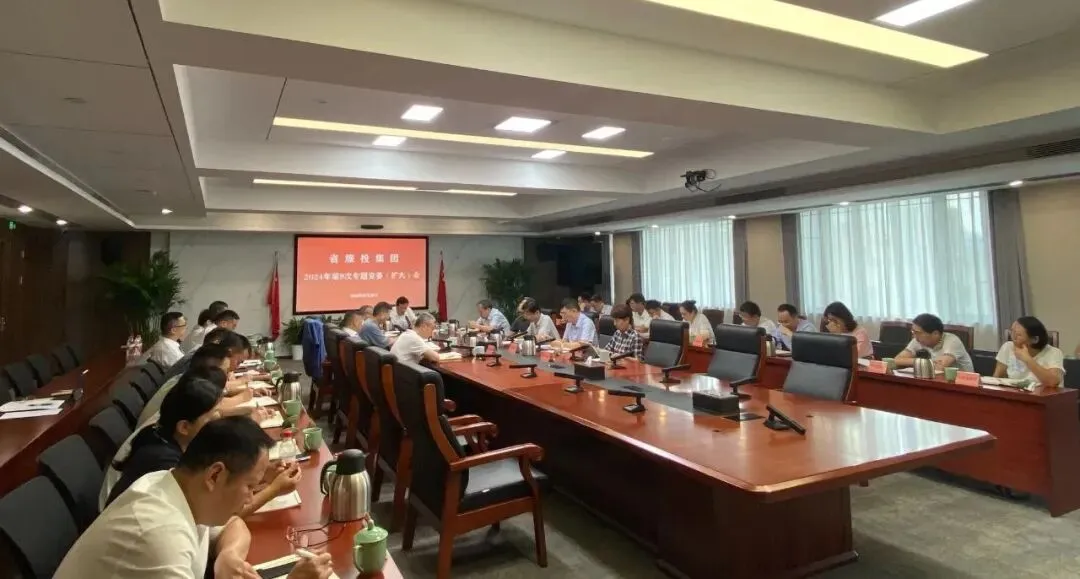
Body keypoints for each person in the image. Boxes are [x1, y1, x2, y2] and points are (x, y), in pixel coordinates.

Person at [57, 416, 334, 579]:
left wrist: (227, 556)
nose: (252, 496)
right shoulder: (159, 536)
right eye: (250, 486)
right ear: (215, 475)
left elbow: (233, 523)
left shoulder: (178, 486)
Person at [105, 376, 301, 515]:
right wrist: (274, 489)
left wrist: (257, 475)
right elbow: (215, 515)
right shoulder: (164, 461)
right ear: (184, 426)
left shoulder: (165, 435)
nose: (219, 421)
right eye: (213, 416)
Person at [994, 316, 1065, 387]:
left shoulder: (1054, 352)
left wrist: (1028, 359)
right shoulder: (1008, 347)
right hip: (1016, 393)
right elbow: (997, 378)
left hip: (1043, 393)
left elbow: (1053, 382)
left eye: (1018, 335)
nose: (1013, 338)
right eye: (1012, 332)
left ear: (1035, 339)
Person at [895, 313, 974, 372]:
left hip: (963, 384)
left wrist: (914, 362)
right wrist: (921, 362)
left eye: (917, 332)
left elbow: (939, 367)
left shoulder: (952, 341)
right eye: (913, 332)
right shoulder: (918, 339)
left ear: (935, 333)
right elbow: (897, 360)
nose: (914, 336)